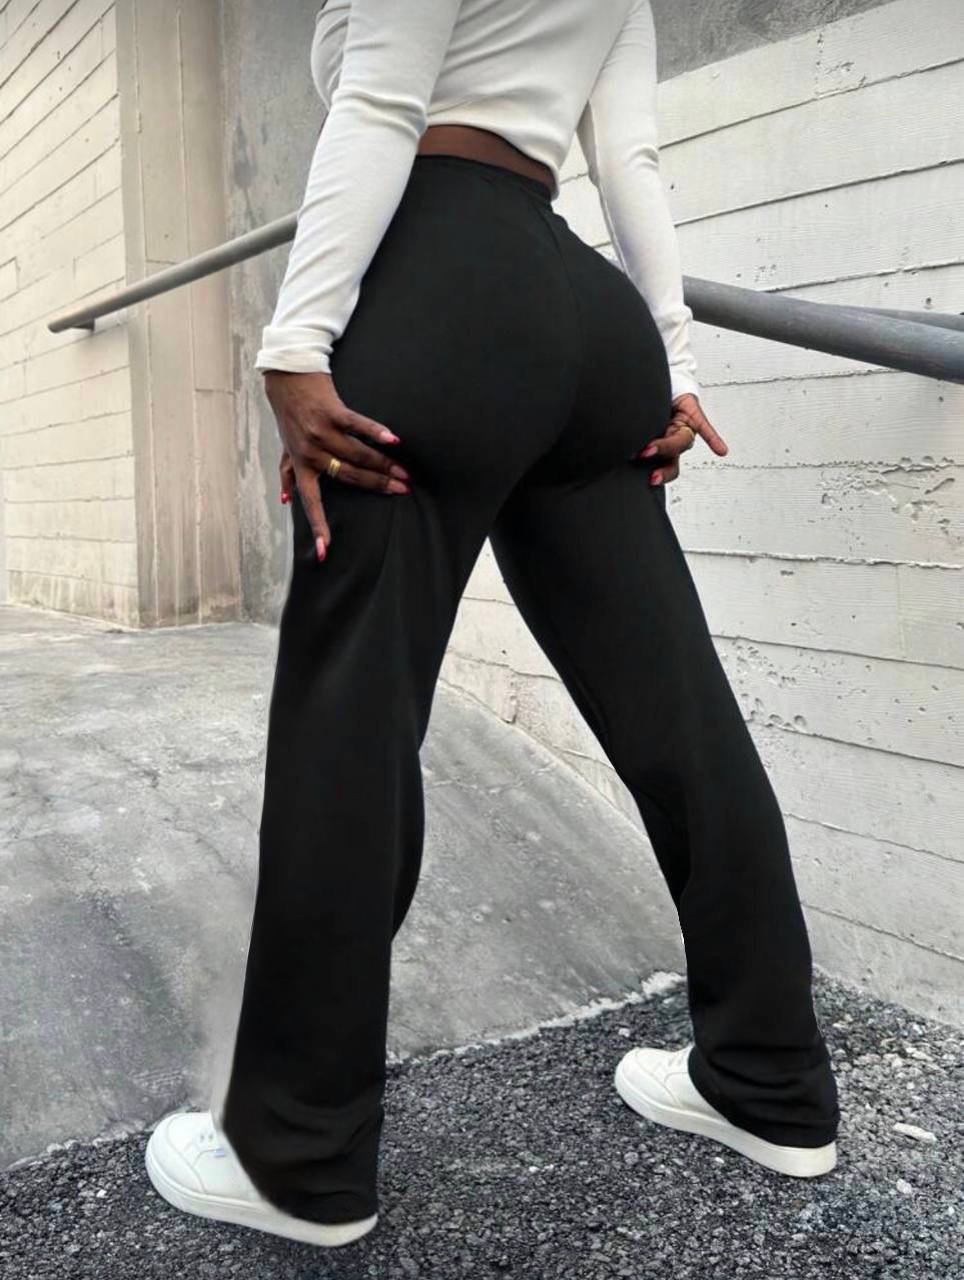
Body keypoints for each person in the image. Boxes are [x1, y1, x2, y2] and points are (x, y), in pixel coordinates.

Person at [145, 0, 840, 1249]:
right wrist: (674, 359)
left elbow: (382, 98)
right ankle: (769, 1080)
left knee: (351, 718)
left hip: (441, 287)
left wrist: (294, 341)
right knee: (679, 713)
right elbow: (629, 156)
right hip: (585, 315)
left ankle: (295, 1155)